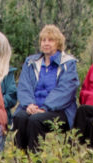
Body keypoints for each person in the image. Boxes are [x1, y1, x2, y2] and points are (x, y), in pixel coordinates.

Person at [13, 24, 79, 153]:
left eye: (50, 40)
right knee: (20, 117)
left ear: (58, 43)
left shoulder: (68, 63)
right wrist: (29, 104)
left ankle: (35, 162)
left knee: (35, 120)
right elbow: (24, 85)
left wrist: (45, 108)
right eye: (43, 40)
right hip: (32, 106)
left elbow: (66, 90)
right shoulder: (31, 62)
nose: (46, 43)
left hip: (59, 110)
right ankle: (19, 161)